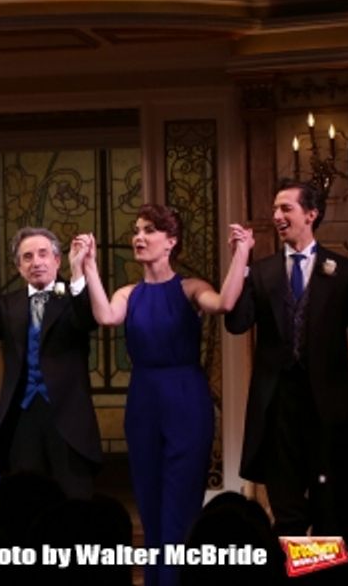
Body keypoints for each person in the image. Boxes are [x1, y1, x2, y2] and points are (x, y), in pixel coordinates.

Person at [78, 204, 250, 586]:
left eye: (149, 230)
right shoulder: (128, 293)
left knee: (180, 500)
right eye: (137, 230)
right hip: (143, 401)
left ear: (171, 241)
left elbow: (224, 303)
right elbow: (106, 317)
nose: (139, 237)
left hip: (186, 400)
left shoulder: (191, 288)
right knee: (149, 499)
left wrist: (241, 254)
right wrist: (89, 266)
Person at [225, 179, 348, 538]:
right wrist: (241, 260)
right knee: (286, 511)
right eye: (275, 208)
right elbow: (236, 323)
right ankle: (289, 567)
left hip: (328, 411)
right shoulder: (263, 271)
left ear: (311, 214)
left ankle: (326, 569)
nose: (276, 215)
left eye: (285, 208)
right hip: (277, 409)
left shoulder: (345, 270)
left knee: (329, 512)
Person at [0, 227, 100, 499]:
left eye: (43, 254)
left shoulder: (75, 297)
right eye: (27, 257)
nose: (36, 262)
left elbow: (86, 320)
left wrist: (78, 271)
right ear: (19, 267)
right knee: (28, 500)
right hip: (22, 416)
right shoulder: (10, 304)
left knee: (75, 502)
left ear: (57, 260)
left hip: (68, 417)